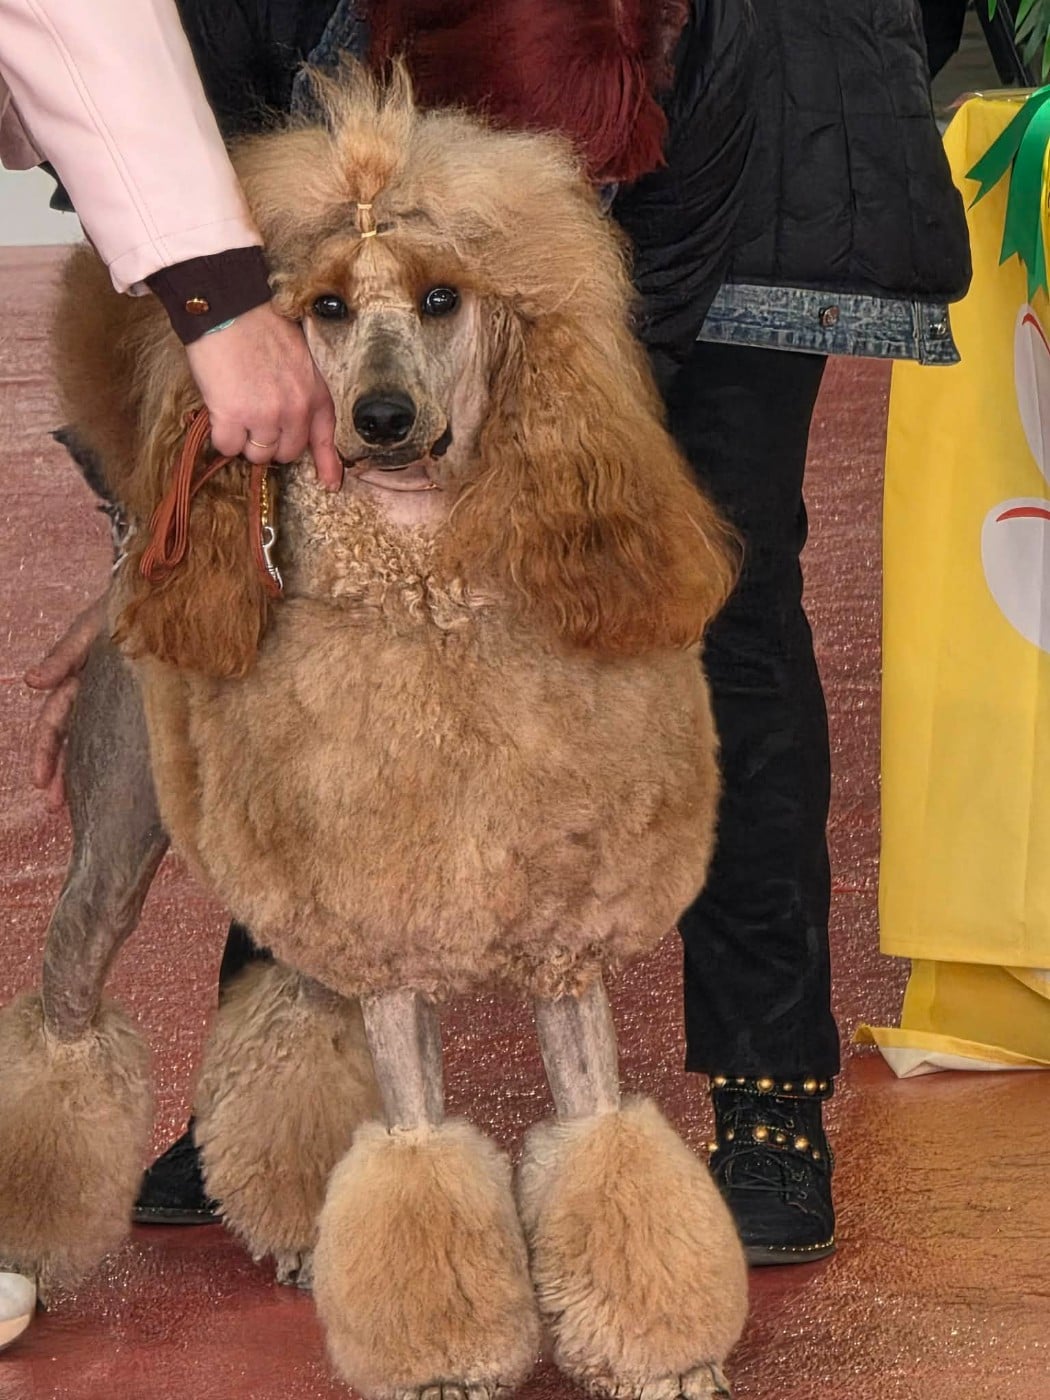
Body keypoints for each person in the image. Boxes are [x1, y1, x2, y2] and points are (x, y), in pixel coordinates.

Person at [22, 0, 970, 1271]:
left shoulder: (707, 102)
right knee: (314, 563)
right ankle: (296, 1085)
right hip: (412, 107)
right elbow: (140, 140)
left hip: (763, 149)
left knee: (711, 590)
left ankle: (769, 1099)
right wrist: (159, 527)